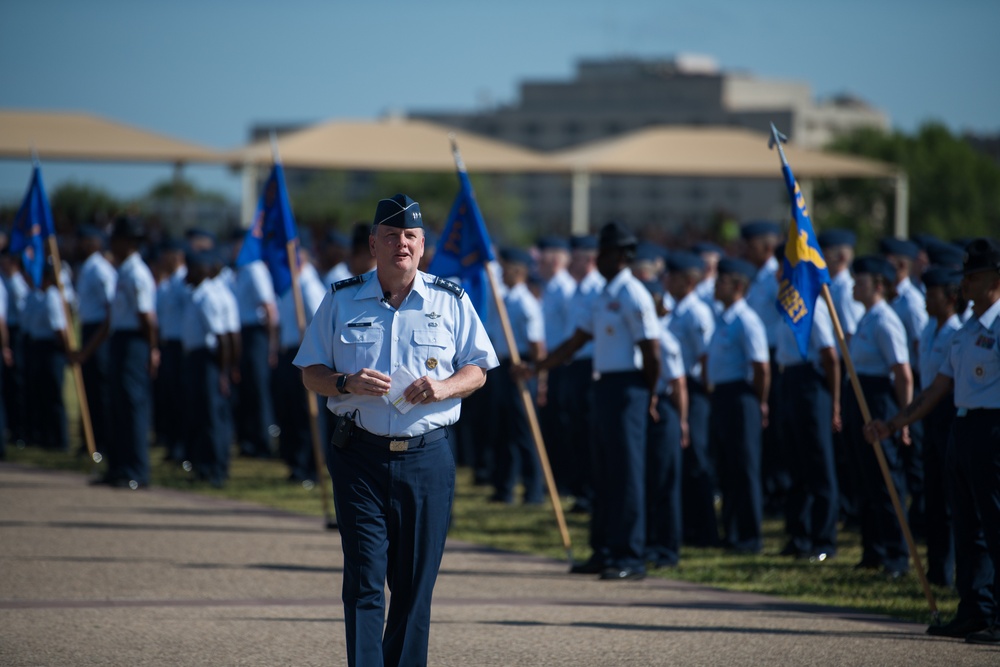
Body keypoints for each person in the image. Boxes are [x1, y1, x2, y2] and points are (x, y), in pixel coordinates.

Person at [294, 193, 498, 667]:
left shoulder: (450, 301)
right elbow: (309, 371)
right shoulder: (342, 298)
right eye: (390, 235)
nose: (400, 244)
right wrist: (345, 382)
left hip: (427, 458)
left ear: (422, 245)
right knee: (365, 579)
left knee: (413, 586)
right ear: (373, 243)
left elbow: (479, 369)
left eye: (410, 236)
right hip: (359, 456)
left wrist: (445, 387)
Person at [865, 238, 1000, 644]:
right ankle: (976, 608)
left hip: (994, 429)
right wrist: (892, 424)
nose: (965, 284)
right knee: (967, 524)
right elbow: (938, 388)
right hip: (963, 427)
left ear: (994, 279)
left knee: (996, 524)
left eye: (973, 277)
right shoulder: (967, 330)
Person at [521, 221, 661, 581]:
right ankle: (604, 549)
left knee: (627, 473)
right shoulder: (602, 295)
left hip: (629, 387)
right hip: (604, 387)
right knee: (603, 470)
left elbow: (651, 351)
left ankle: (630, 555)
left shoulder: (634, 293)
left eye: (603, 254)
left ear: (620, 256)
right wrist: (536, 367)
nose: (597, 260)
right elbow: (574, 343)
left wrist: (649, 394)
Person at [844, 256, 913, 578]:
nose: (855, 285)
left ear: (879, 286)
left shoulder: (885, 320)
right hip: (860, 396)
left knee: (887, 482)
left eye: (862, 281)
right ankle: (874, 550)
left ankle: (897, 555)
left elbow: (902, 373)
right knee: (866, 479)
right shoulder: (866, 318)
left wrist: (904, 418)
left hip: (878, 400)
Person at [773, 248, 841, 562]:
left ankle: (823, 539)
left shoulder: (813, 305)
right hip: (789, 382)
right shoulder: (785, 305)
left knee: (819, 465)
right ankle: (798, 536)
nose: (778, 274)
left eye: (784, 269)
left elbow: (830, 357)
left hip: (812, 386)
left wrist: (835, 403)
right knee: (794, 463)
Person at [87, 216, 159, 489]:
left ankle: (137, 470)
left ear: (128, 243)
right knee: (116, 405)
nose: (111, 246)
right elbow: (112, 319)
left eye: (116, 240)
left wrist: (151, 349)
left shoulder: (136, 272)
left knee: (132, 406)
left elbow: (146, 317)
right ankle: (118, 466)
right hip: (121, 340)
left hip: (135, 342)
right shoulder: (122, 271)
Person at [706, 257, 770, 553]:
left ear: (738, 287)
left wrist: (760, 400)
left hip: (741, 396)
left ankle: (749, 536)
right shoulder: (722, 317)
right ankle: (730, 532)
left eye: (721, 281)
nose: (716, 286)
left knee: (745, 468)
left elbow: (760, 367)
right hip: (722, 396)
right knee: (727, 467)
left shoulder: (747, 320)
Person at [664, 251, 719, 547]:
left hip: (695, 389)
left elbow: (705, 356)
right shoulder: (676, 309)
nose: (666, 281)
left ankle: (705, 531)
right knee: (683, 460)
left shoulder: (696, 312)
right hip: (679, 386)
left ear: (687, 281)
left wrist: (707, 392)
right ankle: (687, 526)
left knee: (697, 457)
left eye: (672, 277)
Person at [916, 266, 963, 587]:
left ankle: (948, 569)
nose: (926, 302)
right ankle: (936, 570)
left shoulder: (957, 333)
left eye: (932, 296)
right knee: (931, 493)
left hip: (950, 412)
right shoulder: (929, 330)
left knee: (950, 499)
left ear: (950, 298)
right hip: (929, 413)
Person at [491, 247, 545, 505]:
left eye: (506, 270)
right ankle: (505, 487)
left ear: (519, 272)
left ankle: (533, 490)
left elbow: (537, 345)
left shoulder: (526, 303)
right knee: (504, 430)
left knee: (524, 432)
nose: (501, 274)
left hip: (521, 366)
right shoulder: (507, 299)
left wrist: (535, 372)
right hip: (503, 365)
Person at [231, 234, 278, 459]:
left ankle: (263, 442)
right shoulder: (242, 270)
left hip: (257, 334)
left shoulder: (255, 268)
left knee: (259, 389)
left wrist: (271, 345)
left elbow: (269, 308)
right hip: (245, 333)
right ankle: (250, 440)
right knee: (248, 388)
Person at [75, 226, 117, 457]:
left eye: (82, 241)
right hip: (90, 329)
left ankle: (101, 442)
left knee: (101, 391)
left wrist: (91, 346)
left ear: (92, 243)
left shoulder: (100, 269)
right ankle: (90, 441)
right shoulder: (88, 268)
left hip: (99, 333)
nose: (77, 246)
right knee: (90, 388)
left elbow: (110, 310)